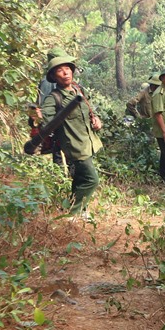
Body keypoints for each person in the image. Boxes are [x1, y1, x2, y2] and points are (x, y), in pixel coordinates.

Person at [41, 53, 103, 222]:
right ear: (54, 77)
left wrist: (96, 120)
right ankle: (72, 214)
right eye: (60, 71)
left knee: (80, 178)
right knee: (92, 179)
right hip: (75, 145)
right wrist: (38, 118)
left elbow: (89, 110)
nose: (65, 73)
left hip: (89, 140)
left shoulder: (78, 89)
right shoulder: (54, 98)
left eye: (67, 69)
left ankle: (82, 210)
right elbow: (46, 121)